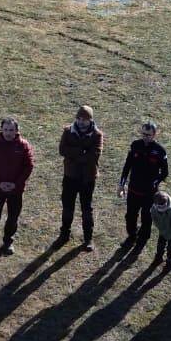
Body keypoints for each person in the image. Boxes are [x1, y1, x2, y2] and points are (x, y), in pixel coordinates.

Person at [0, 117, 35, 254]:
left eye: (11, 130)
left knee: (13, 217)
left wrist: (16, 184)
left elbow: (28, 166)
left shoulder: (23, 146)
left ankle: (8, 242)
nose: (8, 133)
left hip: (16, 190)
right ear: (1, 129)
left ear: (17, 130)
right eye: (5, 129)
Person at [57, 104, 103, 250]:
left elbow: (94, 155)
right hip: (70, 176)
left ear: (90, 120)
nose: (81, 122)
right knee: (67, 206)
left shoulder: (97, 135)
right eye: (79, 118)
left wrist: (75, 155)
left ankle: (88, 239)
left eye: (85, 119)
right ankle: (64, 234)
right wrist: (82, 151)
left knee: (86, 208)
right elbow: (62, 150)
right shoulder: (68, 131)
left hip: (88, 178)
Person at [118, 120, 168, 252]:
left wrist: (155, 183)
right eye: (144, 134)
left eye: (149, 135)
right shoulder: (135, 145)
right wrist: (121, 185)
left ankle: (143, 239)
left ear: (154, 134)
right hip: (133, 190)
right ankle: (132, 236)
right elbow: (127, 166)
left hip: (149, 193)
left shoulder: (160, 151)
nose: (146, 137)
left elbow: (165, 172)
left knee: (147, 216)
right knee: (130, 215)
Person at [149, 189, 171, 270]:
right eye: (159, 206)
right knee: (160, 245)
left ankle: (169, 261)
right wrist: (161, 229)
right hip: (163, 230)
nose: (162, 208)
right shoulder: (154, 209)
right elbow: (154, 219)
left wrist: (169, 234)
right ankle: (158, 258)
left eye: (163, 205)